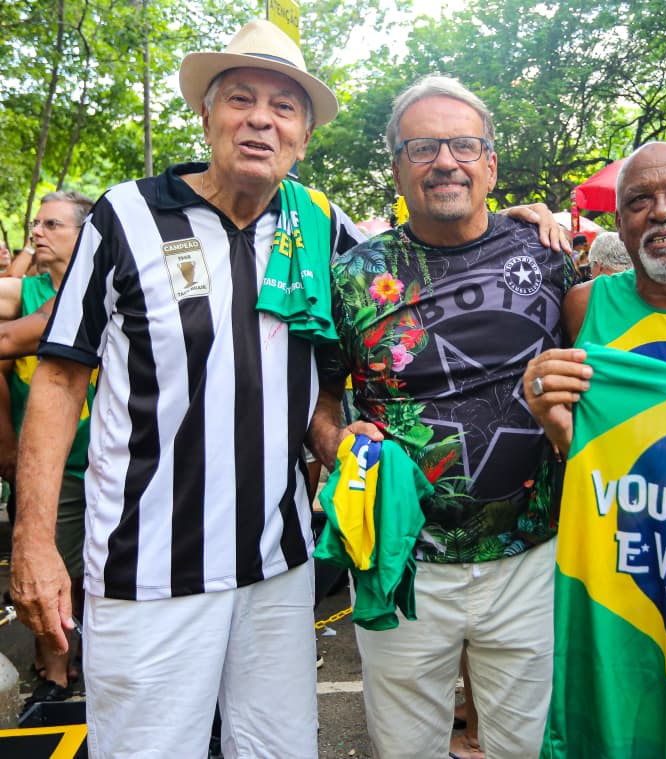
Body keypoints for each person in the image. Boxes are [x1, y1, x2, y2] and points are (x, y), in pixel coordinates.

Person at [10, 20, 366, 758]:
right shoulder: (126, 215)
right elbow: (59, 374)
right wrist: (34, 541)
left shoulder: (319, 224)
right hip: (148, 564)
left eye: (284, 106)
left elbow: (412, 274)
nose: (261, 118)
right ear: (205, 115)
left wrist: (515, 225)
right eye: (241, 98)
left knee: (279, 750)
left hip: (278, 563)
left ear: (303, 135)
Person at [308, 75, 577, 759]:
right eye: (422, 147)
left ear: (489, 162)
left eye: (463, 145)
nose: (445, 162)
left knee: (524, 747)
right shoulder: (351, 274)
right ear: (397, 166)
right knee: (405, 750)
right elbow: (318, 392)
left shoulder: (546, 256)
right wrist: (333, 438)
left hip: (531, 555)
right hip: (401, 560)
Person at [521, 140, 666, 456]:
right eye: (640, 199)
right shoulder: (584, 305)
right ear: (620, 223)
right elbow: (581, 445)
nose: (661, 211)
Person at [0, 191, 94, 707]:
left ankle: (92, 661)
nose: (37, 231)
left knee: (95, 575)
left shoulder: (107, 282)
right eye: (35, 222)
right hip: (53, 468)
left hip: (110, 460)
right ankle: (55, 676)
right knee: (46, 568)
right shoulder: (24, 290)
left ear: (83, 234)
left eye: (52, 224)